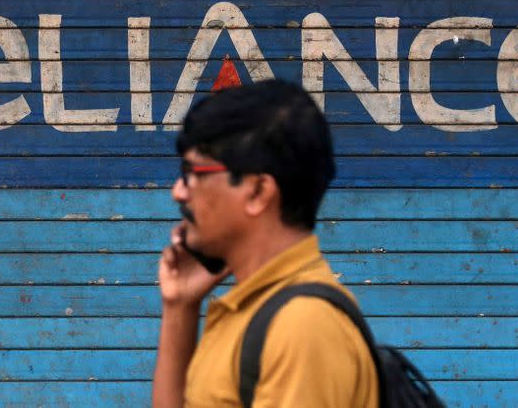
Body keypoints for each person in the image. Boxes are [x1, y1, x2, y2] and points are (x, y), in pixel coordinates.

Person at [152, 79, 379, 407]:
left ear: (258, 192)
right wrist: (180, 307)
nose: (179, 191)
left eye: (192, 173)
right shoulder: (256, 309)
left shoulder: (301, 325)